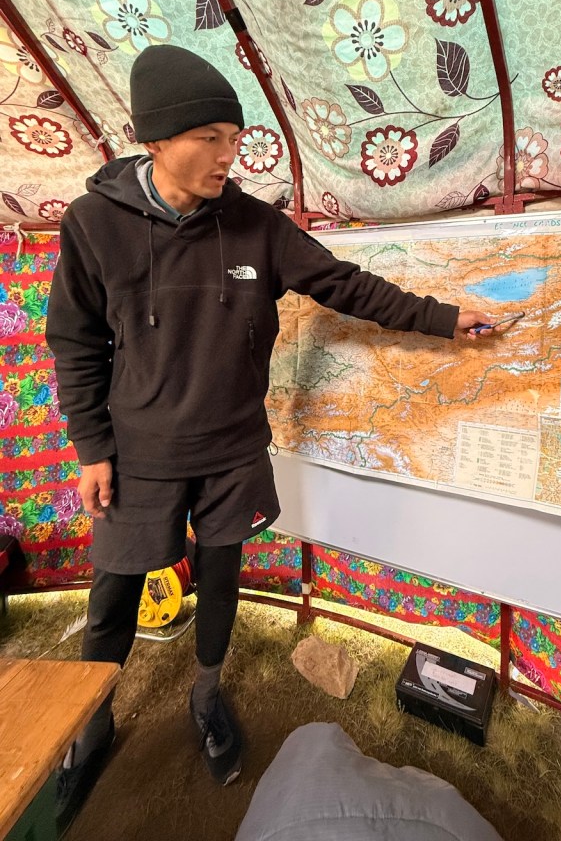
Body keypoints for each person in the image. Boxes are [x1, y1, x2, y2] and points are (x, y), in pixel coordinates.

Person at [45, 44, 497, 831]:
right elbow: (77, 341)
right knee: (114, 591)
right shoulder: (93, 225)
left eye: (238, 137)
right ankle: (90, 721)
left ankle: (207, 696)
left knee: (222, 580)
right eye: (213, 138)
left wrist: (442, 318)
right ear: (156, 140)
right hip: (138, 456)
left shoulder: (256, 225)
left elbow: (343, 285)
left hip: (231, 454)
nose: (231, 156)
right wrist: (91, 447)